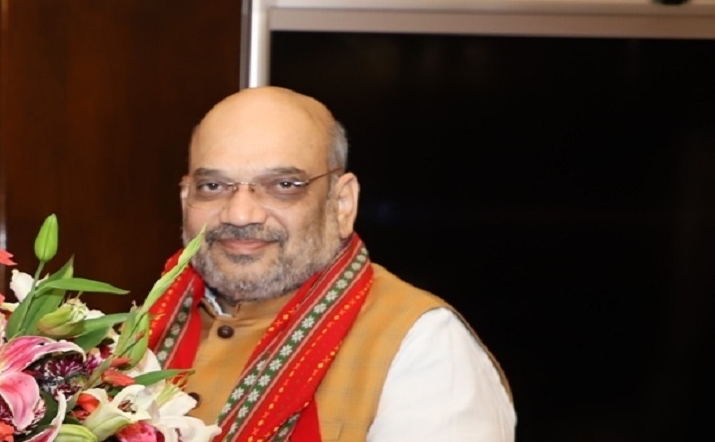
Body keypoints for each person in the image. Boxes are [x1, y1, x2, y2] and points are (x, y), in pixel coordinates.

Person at [144, 87, 515, 441]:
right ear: (185, 199)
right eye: (213, 186)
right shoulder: (141, 330)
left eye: (284, 185)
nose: (240, 214)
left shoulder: (424, 347)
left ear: (341, 204)